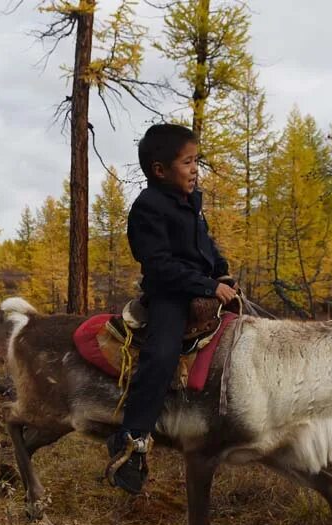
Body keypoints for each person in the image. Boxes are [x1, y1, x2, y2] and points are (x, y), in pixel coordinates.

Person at [106, 123, 237, 494]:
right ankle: (131, 441)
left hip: (204, 288)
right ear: (160, 170)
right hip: (169, 295)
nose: (195, 169)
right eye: (187, 162)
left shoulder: (192, 202)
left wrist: (222, 272)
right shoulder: (148, 208)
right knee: (161, 356)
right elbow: (160, 264)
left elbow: (205, 246)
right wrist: (207, 285)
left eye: (197, 161)